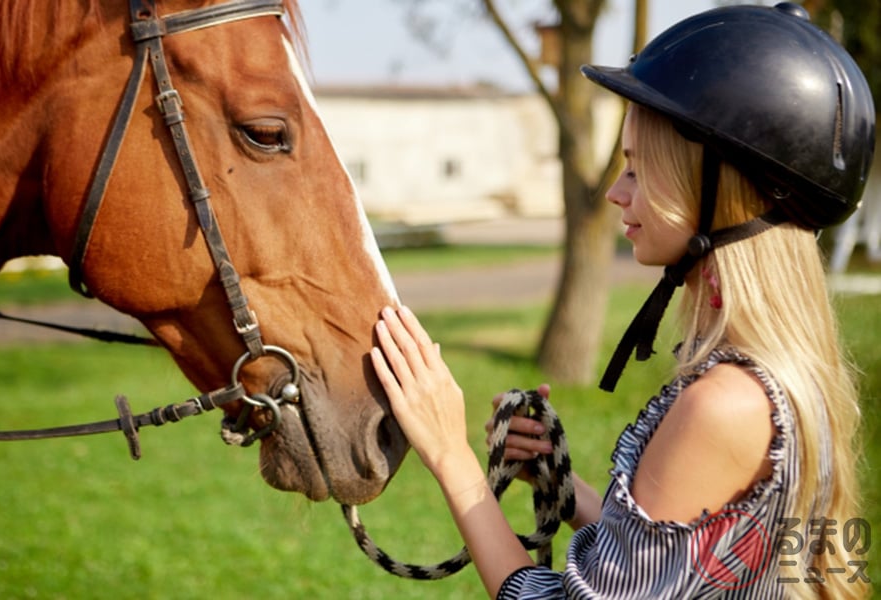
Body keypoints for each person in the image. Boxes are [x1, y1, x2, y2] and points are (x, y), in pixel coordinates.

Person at [370, 3, 874, 599]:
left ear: (716, 191)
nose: (615, 192)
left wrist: (448, 452)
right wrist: (562, 483)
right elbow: (680, 564)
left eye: (637, 169)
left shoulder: (725, 404)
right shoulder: (773, 378)